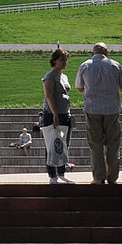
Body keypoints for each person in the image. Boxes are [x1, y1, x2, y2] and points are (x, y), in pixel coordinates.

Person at [75, 42, 122, 185]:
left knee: (95, 144)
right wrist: (110, 90)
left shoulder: (85, 65)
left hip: (92, 109)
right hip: (112, 109)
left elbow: (80, 88)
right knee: (113, 144)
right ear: (107, 52)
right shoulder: (115, 65)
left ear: (92, 53)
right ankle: (112, 177)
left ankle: (98, 178)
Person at [41, 49, 73, 184]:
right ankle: (52, 175)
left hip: (65, 113)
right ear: (54, 61)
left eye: (65, 60)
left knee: (64, 144)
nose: (65, 63)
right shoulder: (50, 76)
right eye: (62, 60)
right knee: (52, 144)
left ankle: (61, 173)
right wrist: (55, 114)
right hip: (53, 114)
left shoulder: (63, 77)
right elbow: (49, 96)